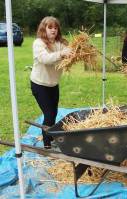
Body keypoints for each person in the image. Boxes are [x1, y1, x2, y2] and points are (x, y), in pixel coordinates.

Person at [30, 16, 71, 149]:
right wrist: (62, 54)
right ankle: (47, 143)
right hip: (39, 85)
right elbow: (45, 59)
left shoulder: (60, 43)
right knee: (49, 114)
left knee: (54, 112)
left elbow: (70, 51)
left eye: (55, 27)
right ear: (44, 29)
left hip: (53, 84)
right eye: (50, 27)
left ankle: (51, 135)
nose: (53, 30)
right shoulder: (38, 43)